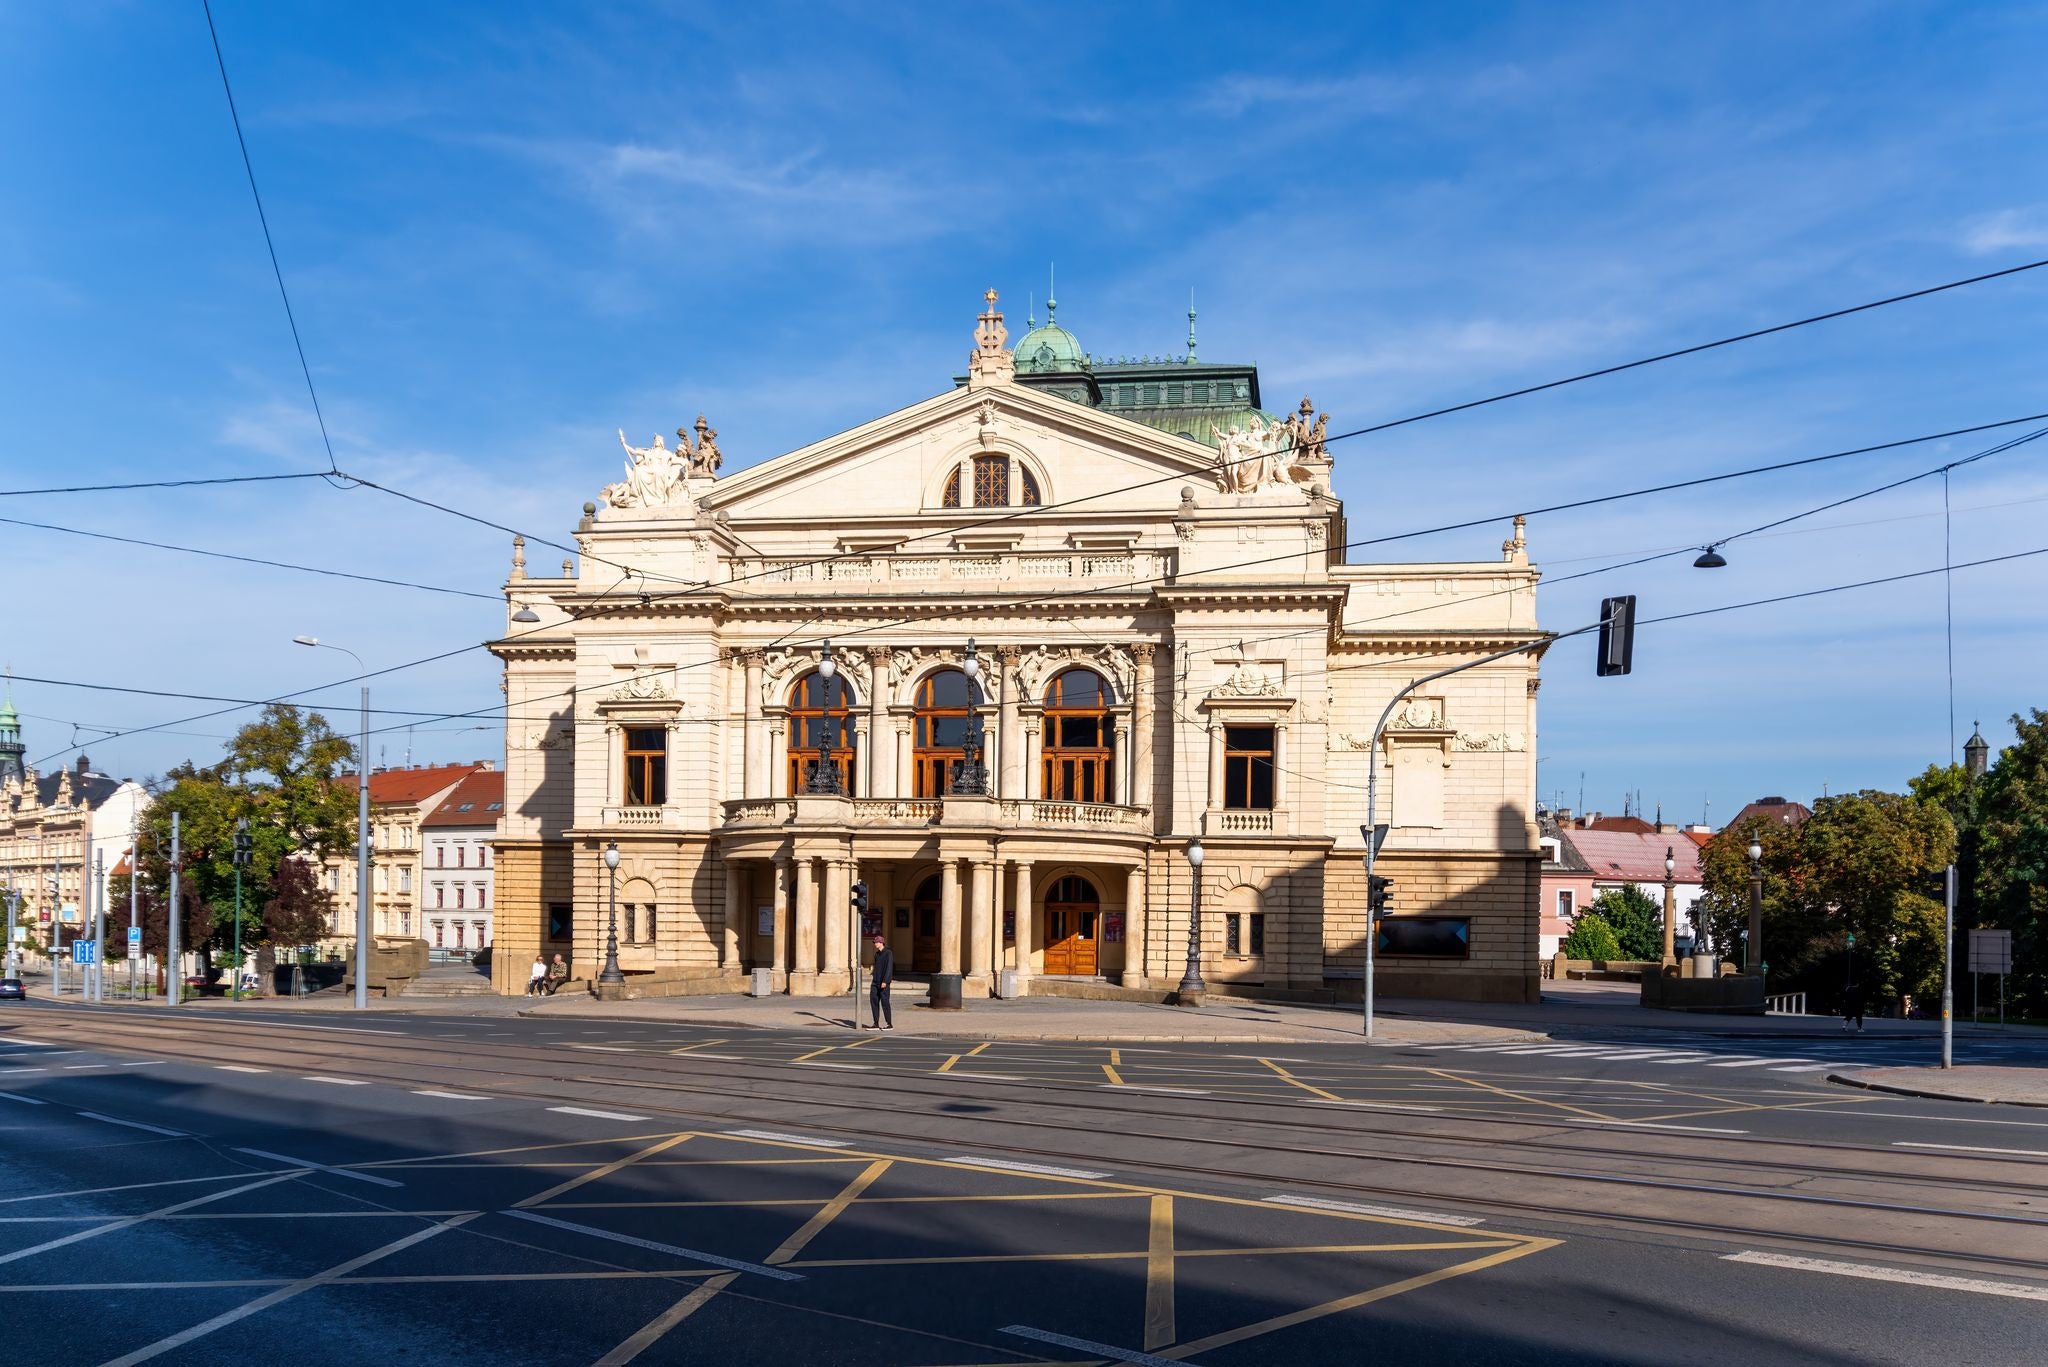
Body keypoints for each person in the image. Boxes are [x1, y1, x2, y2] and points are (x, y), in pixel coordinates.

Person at [867, 934, 894, 1030]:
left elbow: (889, 968)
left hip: (883, 982)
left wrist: (886, 981)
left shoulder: (888, 953)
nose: (875, 944)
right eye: (874, 942)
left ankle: (889, 1024)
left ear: (881, 943)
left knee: (885, 1002)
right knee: (873, 1001)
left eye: (876, 942)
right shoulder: (877, 954)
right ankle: (876, 1023)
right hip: (875, 982)